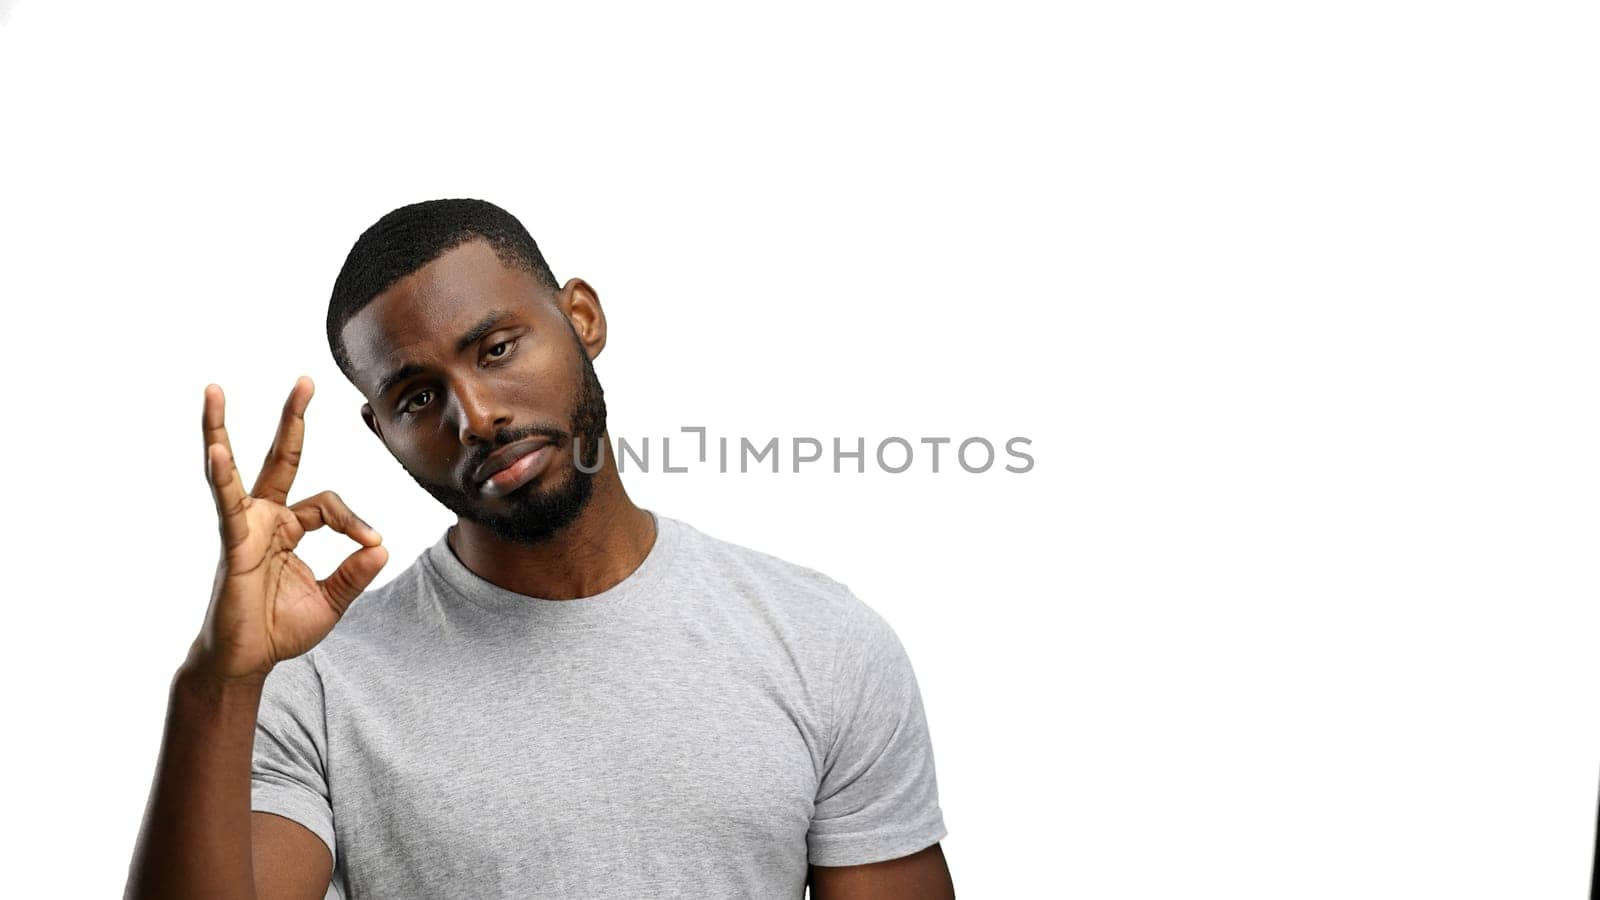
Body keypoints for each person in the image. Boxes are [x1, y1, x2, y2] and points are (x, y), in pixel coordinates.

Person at [124, 199, 954, 899]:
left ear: (582, 319)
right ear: (382, 432)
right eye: (417, 396)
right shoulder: (314, 685)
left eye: (496, 348)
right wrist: (218, 683)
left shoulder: (820, 641)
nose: (476, 415)